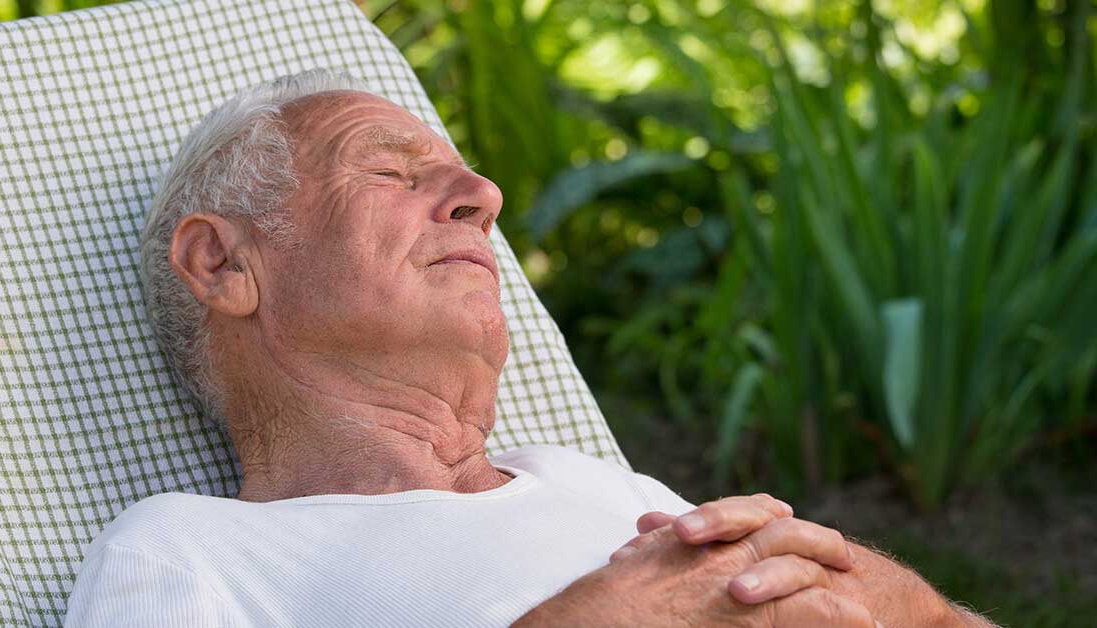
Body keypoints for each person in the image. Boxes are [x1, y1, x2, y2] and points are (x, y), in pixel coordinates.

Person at [64, 70, 993, 627]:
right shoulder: (193, 553)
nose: (484, 192)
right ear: (221, 262)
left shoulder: (603, 489)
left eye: (462, 176)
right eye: (392, 171)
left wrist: (896, 599)